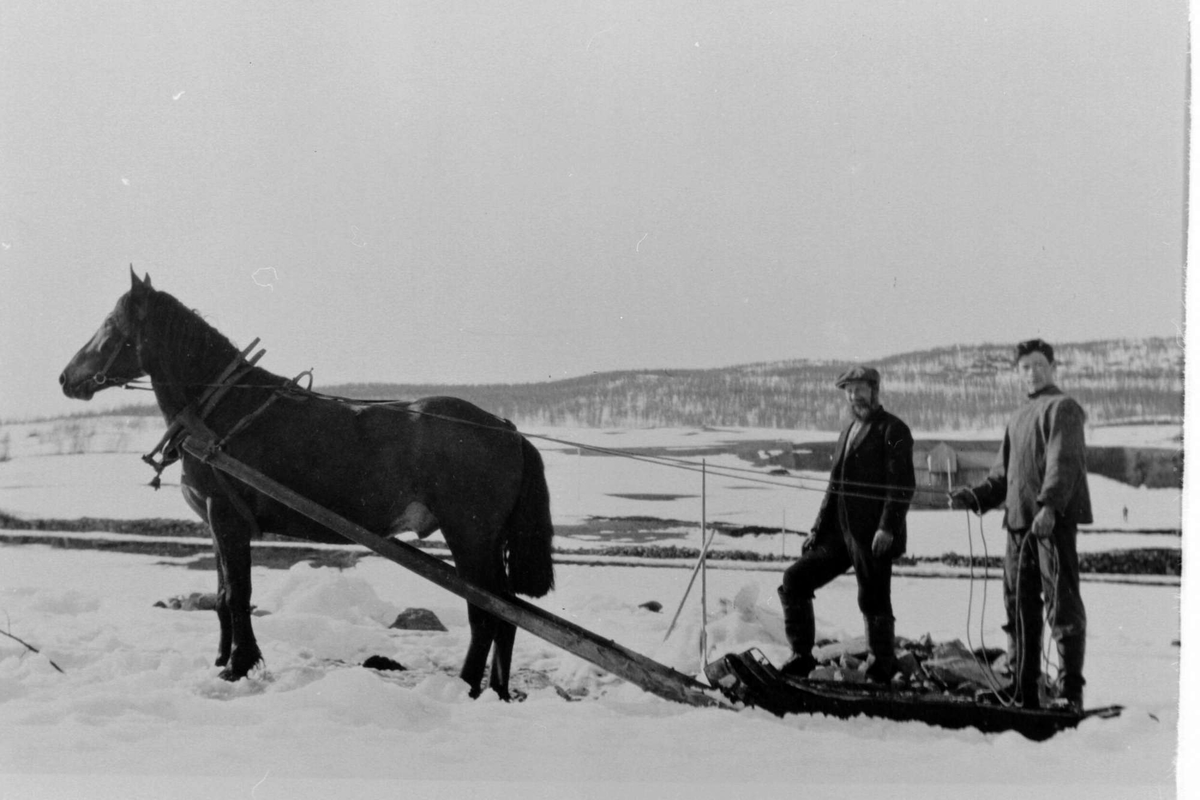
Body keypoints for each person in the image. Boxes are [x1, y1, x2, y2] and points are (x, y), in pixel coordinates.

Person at [950, 338, 1091, 711]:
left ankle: (1069, 692)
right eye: (1025, 367)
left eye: (1039, 365)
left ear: (1052, 367)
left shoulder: (1064, 408)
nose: (1033, 372)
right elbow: (1002, 476)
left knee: (1062, 606)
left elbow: (1064, 464)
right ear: (1017, 373)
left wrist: (1049, 508)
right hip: (1017, 527)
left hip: (1051, 525)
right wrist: (976, 496)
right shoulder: (1016, 417)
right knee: (1018, 606)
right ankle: (1022, 687)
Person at [778, 366, 915, 683]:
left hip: (873, 535)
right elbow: (834, 488)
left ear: (874, 390)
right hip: (840, 535)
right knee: (795, 579)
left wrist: (887, 528)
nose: (854, 396)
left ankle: (882, 666)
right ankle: (801, 657)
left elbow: (903, 485)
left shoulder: (893, 430)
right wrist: (817, 530)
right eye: (849, 390)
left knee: (873, 598)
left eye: (860, 389)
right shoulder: (846, 432)